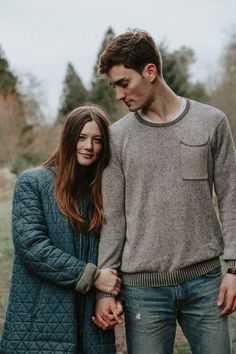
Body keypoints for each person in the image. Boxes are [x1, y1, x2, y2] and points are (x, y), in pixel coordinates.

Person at [92, 30, 236, 354]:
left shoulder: (212, 122)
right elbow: (113, 218)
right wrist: (104, 291)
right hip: (143, 291)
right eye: (113, 86)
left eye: (123, 83)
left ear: (150, 71)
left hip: (206, 283)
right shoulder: (117, 138)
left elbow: (231, 196)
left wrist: (235, 268)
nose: (118, 95)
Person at [0, 105, 121, 354]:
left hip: (91, 324)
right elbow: (33, 247)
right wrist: (94, 276)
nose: (89, 146)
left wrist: (112, 300)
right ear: (68, 138)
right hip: (38, 322)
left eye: (97, 140)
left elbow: (117, 248)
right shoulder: (32, 183)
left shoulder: (105, 191)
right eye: (81, 137)